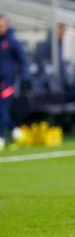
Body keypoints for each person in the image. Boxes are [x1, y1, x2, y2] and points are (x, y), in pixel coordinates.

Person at [0, 15, 30, 150]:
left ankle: (1, 137)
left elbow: (23, 62)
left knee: (1, 109)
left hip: (7, 83)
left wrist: (24, 78)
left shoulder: (12, 42)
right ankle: (15, 131)